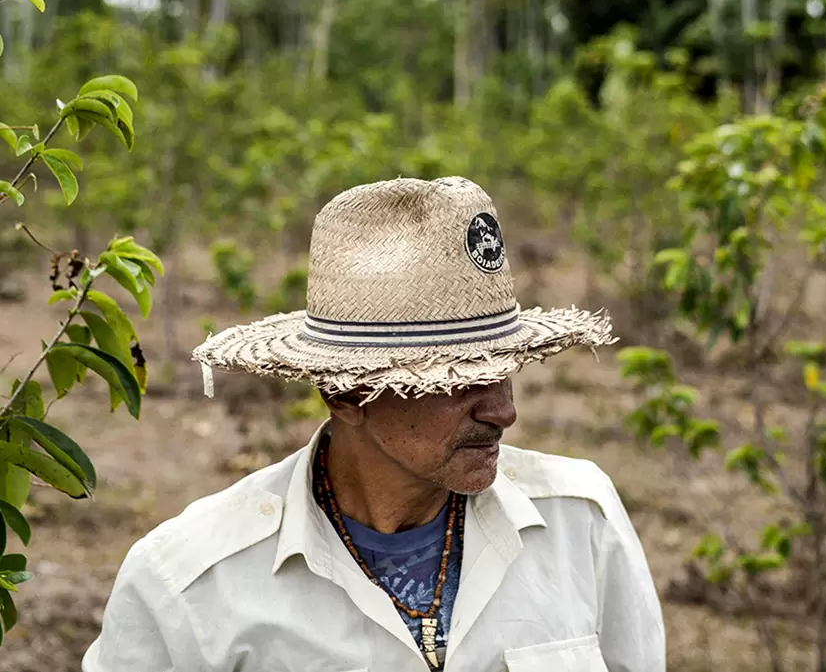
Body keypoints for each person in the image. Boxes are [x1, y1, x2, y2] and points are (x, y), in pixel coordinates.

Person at [82, 176, 666, 672]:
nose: (502, 411)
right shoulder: (191, 584)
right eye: (456, 381)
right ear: (346, 391)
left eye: (506, 370)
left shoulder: (579, 522)